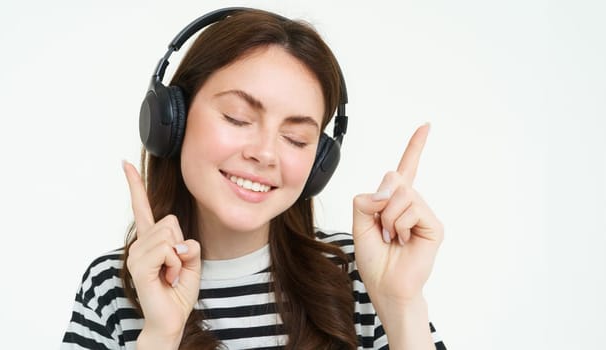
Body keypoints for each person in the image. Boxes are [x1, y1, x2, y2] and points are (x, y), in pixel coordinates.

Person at [62, 7, 446, 350]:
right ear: (171, 120)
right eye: (237, 118)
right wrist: (160, 338)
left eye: (295, 138)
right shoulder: (112, 287)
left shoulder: (360, 274)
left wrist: (402, 307)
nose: (264, 153)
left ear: (319, 163)